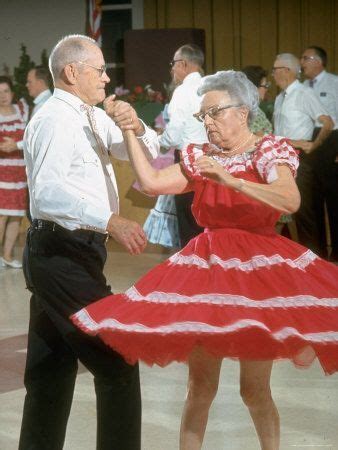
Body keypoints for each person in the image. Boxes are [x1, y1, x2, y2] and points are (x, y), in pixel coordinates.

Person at [72, 70, 338, 450]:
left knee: (254, 391)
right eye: (203, 116)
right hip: (208, 270)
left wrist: (231, 180)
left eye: (214, 113)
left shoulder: (268, 150)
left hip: (259, 273)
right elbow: (151, 182)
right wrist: (130, 129)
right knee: (200, 389)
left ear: (243, 112)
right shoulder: (203, 158)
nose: (208, 123)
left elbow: (289, 200)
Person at [19, 34, 158, 450]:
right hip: (59, 253)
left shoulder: (94, 116)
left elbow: (147, 152)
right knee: (118, 360)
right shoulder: (52, 119)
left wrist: (136, 124)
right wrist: (110, 219)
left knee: (50, 373)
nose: (106, 77)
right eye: (99, 69)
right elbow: (46, 194)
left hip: (76, 254)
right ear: (72, 72)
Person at [272, 53, 333, 256]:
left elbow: (327, 122)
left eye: (275, 70)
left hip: (299, 158)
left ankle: (313, 258)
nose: (273, 74)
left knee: (303, 209)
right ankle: (295, 256)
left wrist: (313, 145)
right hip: (281, 157)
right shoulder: (281, 97)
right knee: (287, 208)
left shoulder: (304, 93)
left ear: (287, 71)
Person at [159, 43, 207, 247]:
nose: (171, 69)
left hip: (188, 160)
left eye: (174, 63)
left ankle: (192, 267)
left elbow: (175, 133)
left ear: (185, 64)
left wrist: (160, 141)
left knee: (188, 218)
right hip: (212, 159)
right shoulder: (211, 86)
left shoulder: (182, 91)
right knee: (206, 217)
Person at [300, 46, 338, 262]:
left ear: (319, 61)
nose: (302, 62)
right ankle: (318, 253)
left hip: (332, 142)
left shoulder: (335, 83)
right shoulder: (303, 87)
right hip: (309, 144)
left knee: (334, 201)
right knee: (312, 201)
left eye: (306, 58)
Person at [0, 76, 29, 268]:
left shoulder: (22, 110)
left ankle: (7, 256)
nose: (2, 96)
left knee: (16, 214)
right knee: (1, 215)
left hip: (20, 171)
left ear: (12, 92)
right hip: (1, 172)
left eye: (5, 91)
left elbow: (29, 136)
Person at [241, 65, 272, 135]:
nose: (266, 89)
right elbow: (261, 138)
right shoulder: (248, 111)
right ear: (254, 88)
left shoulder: (254, 108)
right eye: (265, 86)